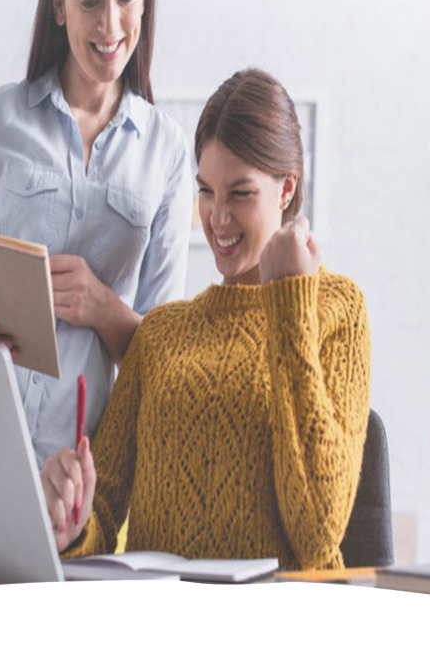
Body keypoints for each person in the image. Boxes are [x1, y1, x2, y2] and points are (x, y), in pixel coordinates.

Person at [44, 68, 371, 571]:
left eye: (240, 194)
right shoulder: (160, 335)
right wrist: (72, 528)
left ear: (286, 190)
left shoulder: (335, 309)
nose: (217, 217)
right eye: (206, 191)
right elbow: (102, 512)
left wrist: (289, 299)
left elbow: (317, 532)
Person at [0, 0, 194, 470]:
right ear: (59, 6)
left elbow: (165, 360)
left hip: (74, 468)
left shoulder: (166, 153)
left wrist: (103, 307)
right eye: (89, 2)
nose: (110, 24)